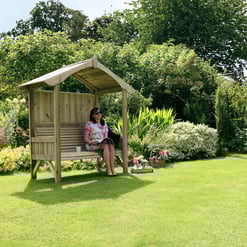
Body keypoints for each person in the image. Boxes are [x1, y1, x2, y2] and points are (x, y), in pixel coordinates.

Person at [84, 107, 117, 176]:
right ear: (93, 115)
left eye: (100, 112)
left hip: (103, 143)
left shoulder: (104, 124)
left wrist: (105, 140)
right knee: (106, 145)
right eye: (96, 113)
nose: (99, 114)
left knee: (110, 144)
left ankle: (112, 168)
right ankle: (108, 168)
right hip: (92, 144)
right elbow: (86, 138)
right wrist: (92, 142)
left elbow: (106, 137)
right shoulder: (89, 124)